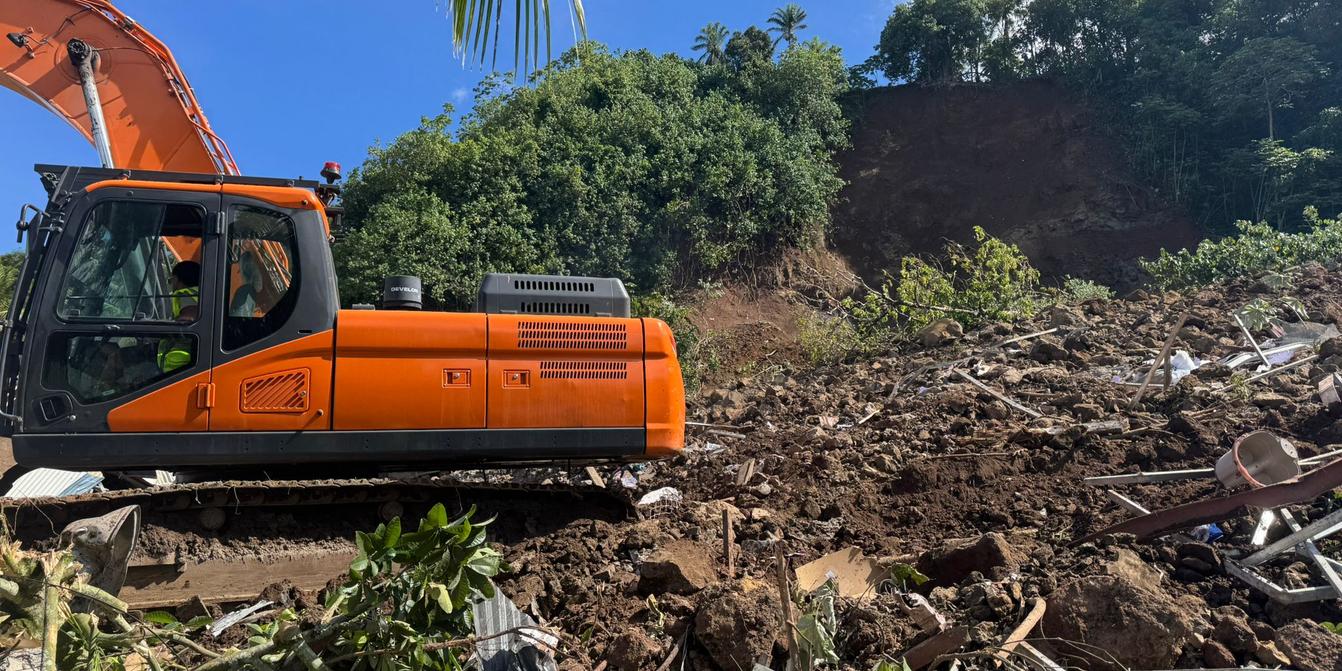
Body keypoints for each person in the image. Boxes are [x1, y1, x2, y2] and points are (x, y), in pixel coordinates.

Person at [157, 260, 200, 373]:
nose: (171, 285)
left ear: (176, 279)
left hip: (181, 359)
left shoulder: (185, 294)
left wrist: (162, 327)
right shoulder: (202, 293)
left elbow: (188, 319)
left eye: (170, 281)